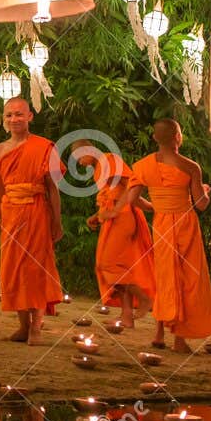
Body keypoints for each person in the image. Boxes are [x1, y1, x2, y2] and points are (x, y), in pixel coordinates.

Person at [127, 118, 211, 352]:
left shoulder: (143, 166)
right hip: (186, 223)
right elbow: (201, 204)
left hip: (162, 224)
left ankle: (159, 333)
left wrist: (156, 206)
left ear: (155, 138)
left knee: (165, 275)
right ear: (178, 136)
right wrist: (205, 191)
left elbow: (132, 199)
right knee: (187, 278)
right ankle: (179, 339)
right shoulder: (190, 167)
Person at [0, 97, 64, 344]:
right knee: (13, 269)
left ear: (30, 116)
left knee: (36, 268)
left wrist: (57, 221)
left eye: (19, 114)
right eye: (9, 115)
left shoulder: (45, 147)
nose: (14, 119)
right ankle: (23, 326)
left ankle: (36, 328)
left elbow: (53, 188)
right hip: (10, 214)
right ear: (3, 119)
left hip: (36, 212)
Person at [76, 138, 154, 329]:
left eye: (78, 157)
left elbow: (132, 186)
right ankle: (127, 317)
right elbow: (112, 196)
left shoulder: (109, 159)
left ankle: (144, 298)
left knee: (107, 265)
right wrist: (97, 215)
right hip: (113, 220)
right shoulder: (98, 169)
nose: (78, 163)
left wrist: (115, 211)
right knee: (119, 267)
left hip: (123, 218)